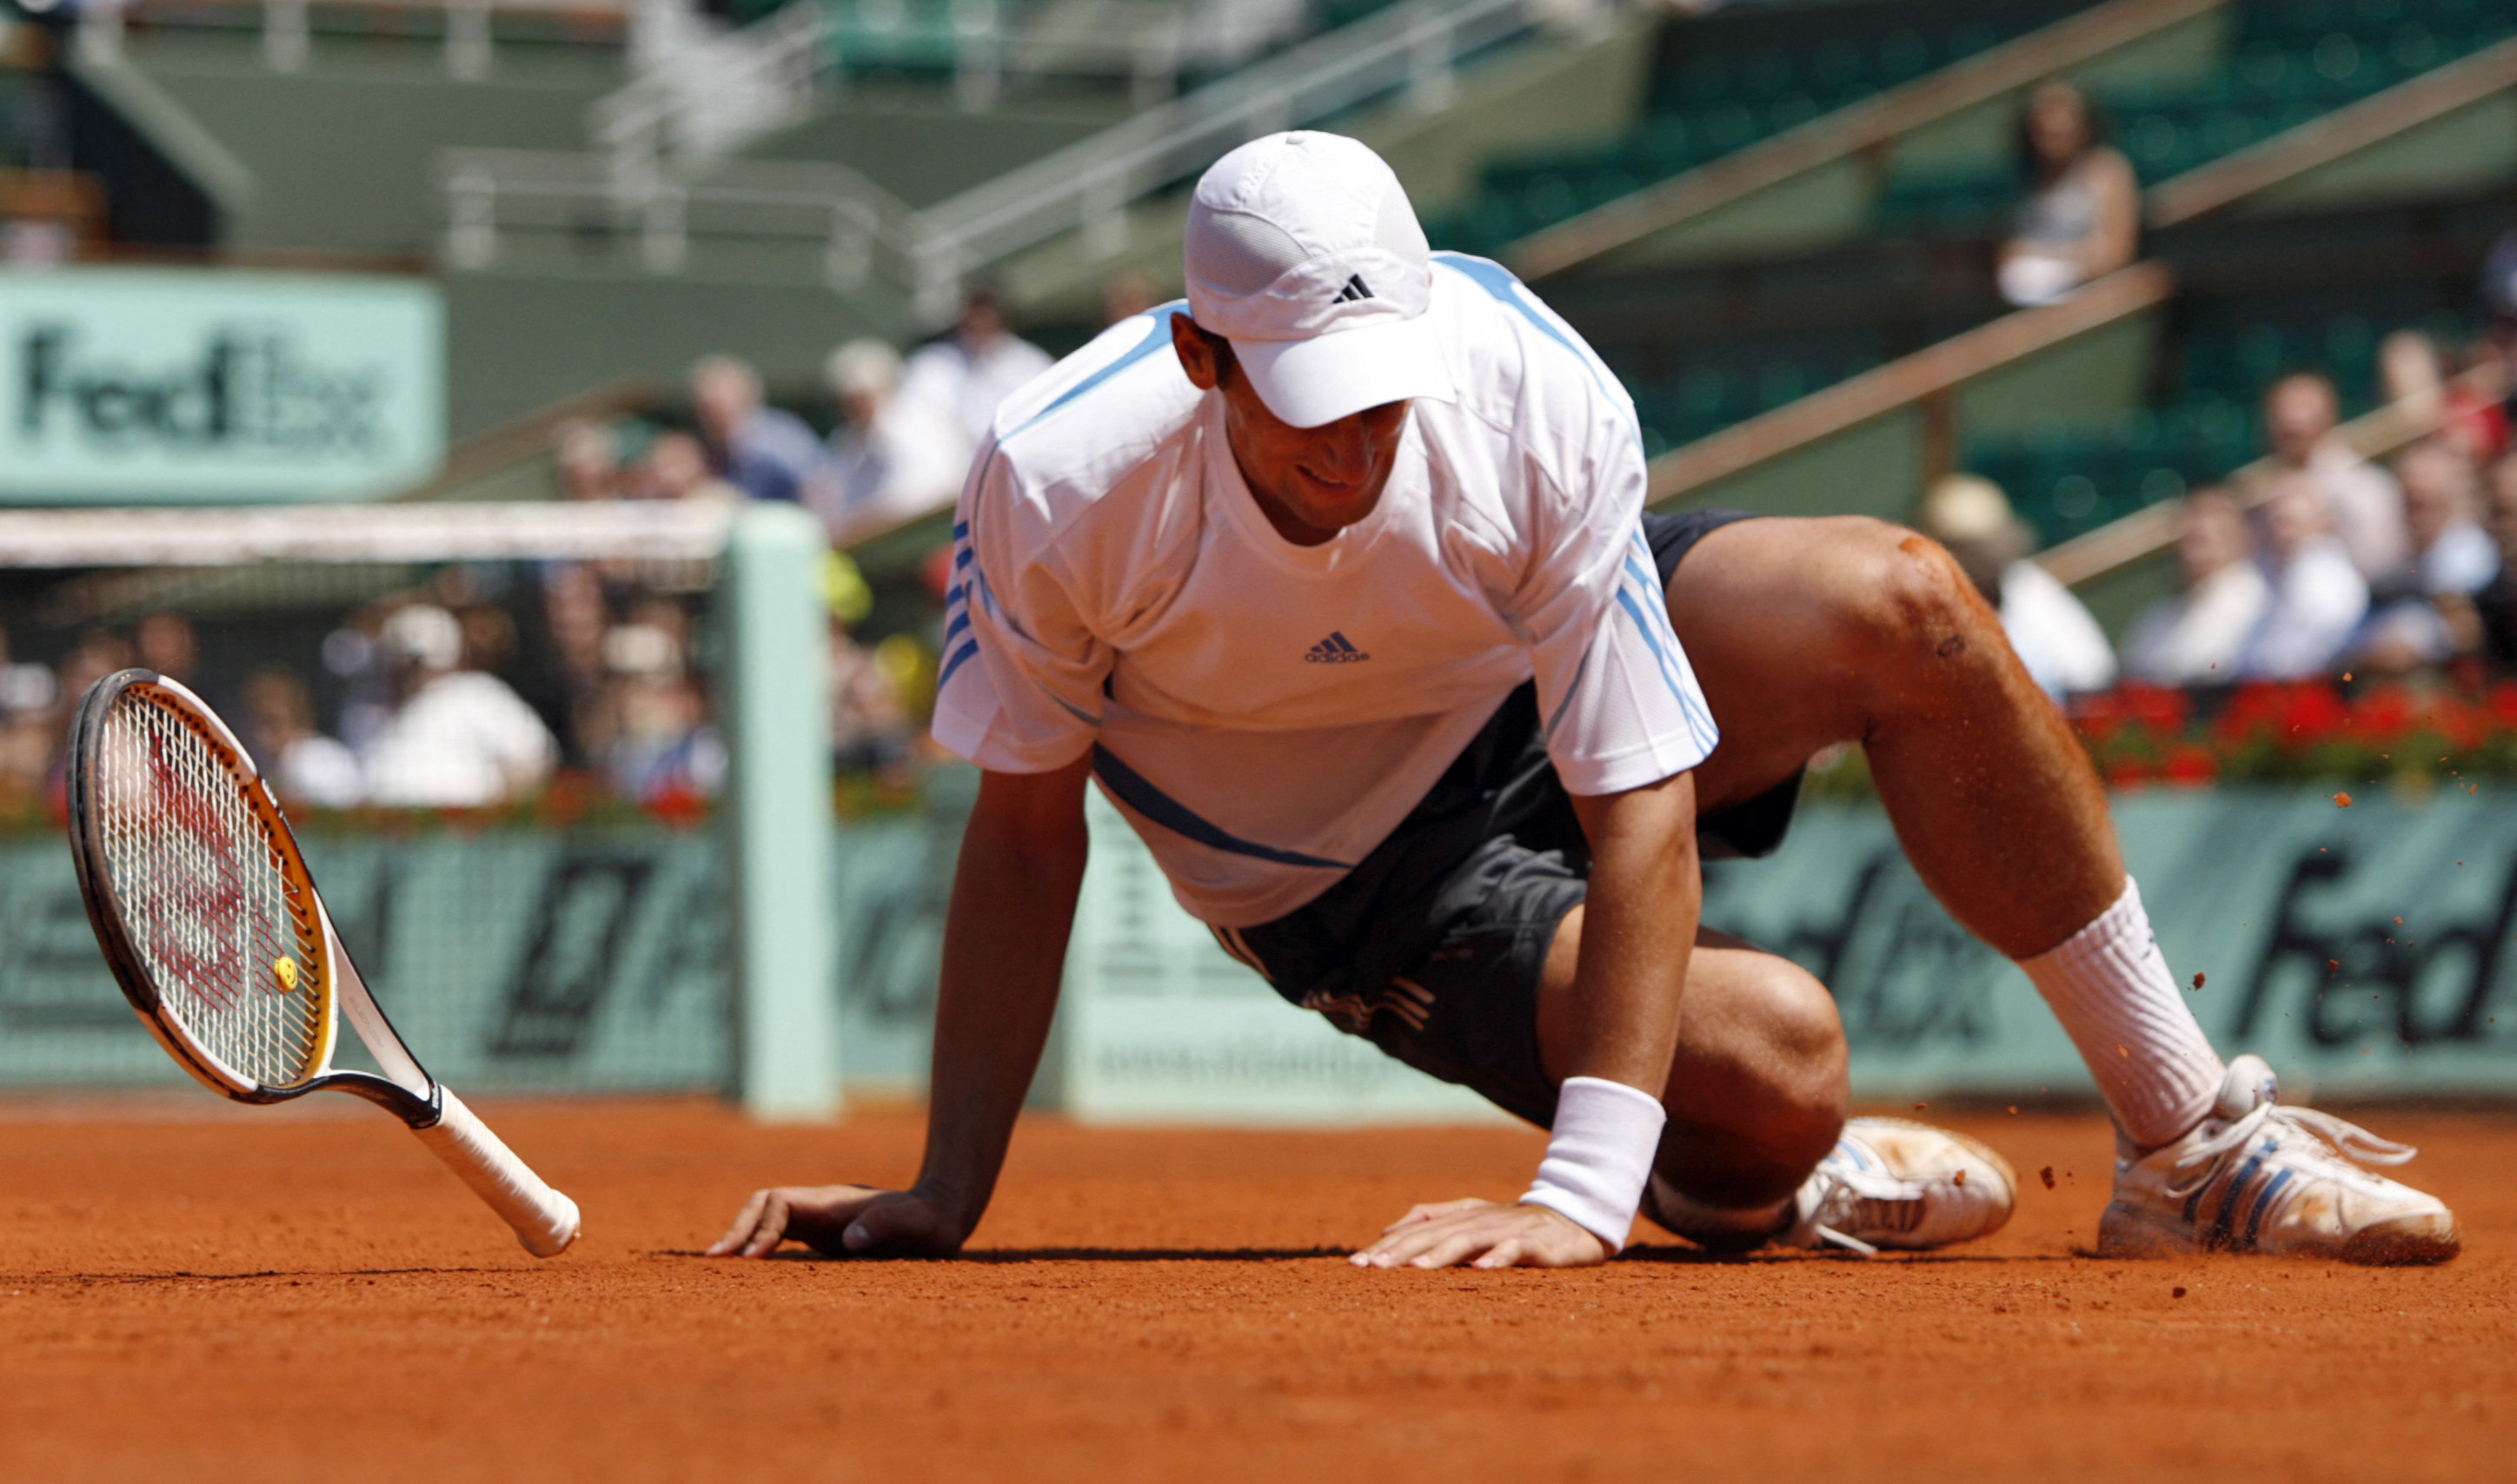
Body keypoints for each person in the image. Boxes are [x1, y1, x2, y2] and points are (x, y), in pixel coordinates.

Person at [713, 132, 2456, 1270]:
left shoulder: (1525, 391)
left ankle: (2188, 1146)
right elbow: (1025, 830)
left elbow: (1632, 791)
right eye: (1306, 399)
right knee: (1781, 1061)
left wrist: (1568, 1201)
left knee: (1906, 601)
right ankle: (1745, 1174)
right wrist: (945, 1186)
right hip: (1341, 869)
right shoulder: (1052, 479)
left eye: (1381, 385)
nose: (1357, 439)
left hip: (1511, 688)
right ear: (1197, 356)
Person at [1915, 473, 2115, 699]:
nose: (1974, 558)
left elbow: (2092, 677)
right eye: (1959, 548)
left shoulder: (2032, 590)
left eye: (1980, 546)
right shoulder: (1918, 603)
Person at [359, 605, 560, 809]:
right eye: (399, 658)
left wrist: (495, 812)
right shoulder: (370, 709)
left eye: (416, 659)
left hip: (468, 829)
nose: (406, 669)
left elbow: (533, 756)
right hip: (393, 831)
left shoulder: (475, 692)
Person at [2350, 439, 2496, 671]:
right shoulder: (2402, 552)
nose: (2414, 514)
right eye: (2408, 502)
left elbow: (2465, 634)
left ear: (2449, 499)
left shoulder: (2468, 553)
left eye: (2423, 503)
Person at [808, 338, 969, 547]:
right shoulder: (844, 441)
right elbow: (828, 502)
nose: (853, 408)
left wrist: (861, 520)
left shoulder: (923, 425)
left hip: (934, 543)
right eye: (846, 400)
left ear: (886, 387)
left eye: (861, 398)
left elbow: (924, 498)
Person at [1997, 80, 2138, 308]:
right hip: (2033, 309)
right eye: (2044, 128)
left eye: (2063, 122)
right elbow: (2007, 256)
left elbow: (2116, 254)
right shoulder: (2026, 185)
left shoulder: (2107, 171)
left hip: (2095, 305)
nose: (2054, 129)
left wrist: (2044, 254)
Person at [2261, 371, 2408, 586]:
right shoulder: (2262, 492)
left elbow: (2382, 566)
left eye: (2303, 409)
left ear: (2328, 416)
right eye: (2281, 413)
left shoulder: (2365, 487)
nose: (2290, 420)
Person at [2120, 488, 2268, 685]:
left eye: (2214, 517)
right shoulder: (2156, 619)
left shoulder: (2262, 602)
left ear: (2243, 534)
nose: (2199, 526)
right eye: (2192, 517)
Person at [897, 287, 1053, 462]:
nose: (979, 322)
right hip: (953, 470)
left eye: (987, 314)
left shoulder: (1031, 363)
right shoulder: (932, 363)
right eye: (974, 314)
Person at [2236, 473, 2368, 679]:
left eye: (2289, 521)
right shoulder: (2269, 576)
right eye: (2276, 517)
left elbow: (2306, 654)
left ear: (2324, 519)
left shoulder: (2328, 576)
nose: (2279, 528)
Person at [689, 354, 822, 504]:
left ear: (747, 400)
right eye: (704, 410)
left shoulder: (776, 441)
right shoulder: (718, 448)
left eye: (717, 408)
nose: (711, 418)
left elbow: (819, 488)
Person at [240, 669, 363, 810]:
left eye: (273, 720)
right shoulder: (256, 766)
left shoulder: (327, 762)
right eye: (255, 720)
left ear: (297, 717)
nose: (262, 732)